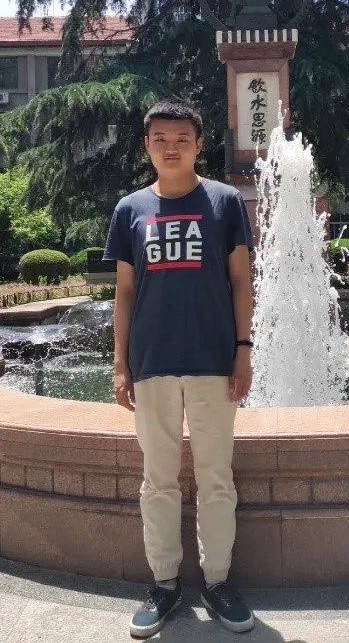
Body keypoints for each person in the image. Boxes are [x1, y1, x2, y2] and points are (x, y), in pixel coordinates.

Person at [103, 100, 255, 638]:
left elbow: (241, 281)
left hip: (214, 360)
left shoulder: (224, 201)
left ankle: (218, 582)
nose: (172, 147)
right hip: (152, 362)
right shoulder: (130, 209)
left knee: (216, 478)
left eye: (182, 138)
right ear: (147, 145)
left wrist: (243, 348)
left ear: (198, 144)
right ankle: (164, 585)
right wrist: (120, 363)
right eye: (161, 139)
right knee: (158, 480)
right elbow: (125, 291)